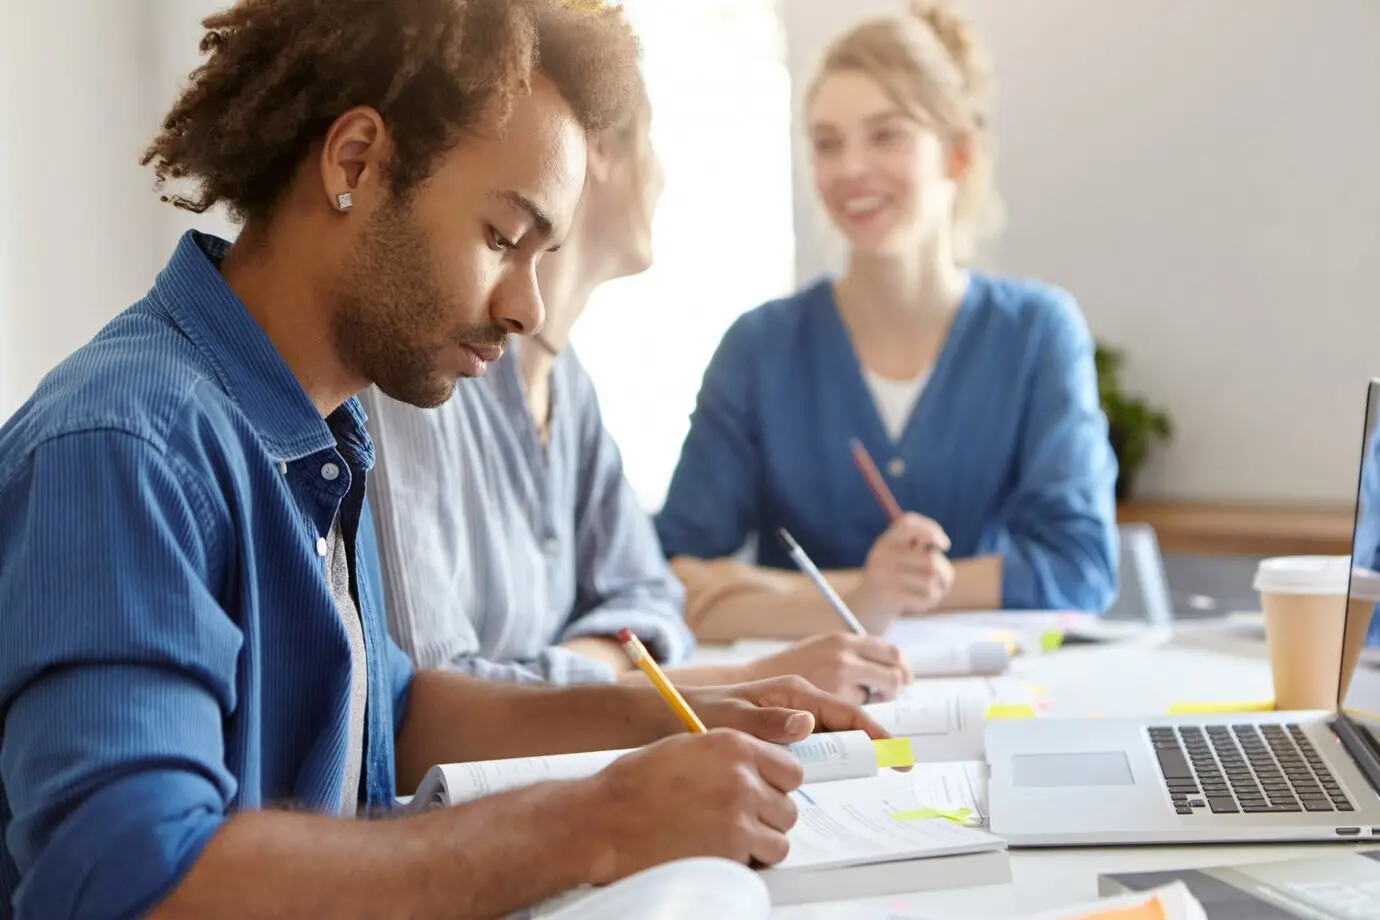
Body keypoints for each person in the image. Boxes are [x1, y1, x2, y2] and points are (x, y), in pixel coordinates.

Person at [0, 3, 886, 918]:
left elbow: (398, 710)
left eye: (544, 254)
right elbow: (130, 878)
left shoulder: (318, 431)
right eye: (503, 237)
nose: (528, 309)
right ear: (354, 163)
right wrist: (599, 822)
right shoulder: (124, 449)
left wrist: (669, 715)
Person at [361, 84, 913, 705]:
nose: (663, 176)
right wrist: (634, 672)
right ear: (595, 149)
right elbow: (436, 702)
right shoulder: (428, 372)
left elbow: (651, 595)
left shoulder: (570, 387)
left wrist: (588, 665)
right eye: (651, 141)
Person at [655, 0, 1119, 643]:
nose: (850, 168)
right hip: (805, 706)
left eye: (886, 134)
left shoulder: (1037, 334)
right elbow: (672, 572)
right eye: (827, 143)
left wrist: (889, 588)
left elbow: (1080, 567)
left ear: (957, 156)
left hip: (987, 695)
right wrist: (868, 590)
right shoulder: (758, 349)